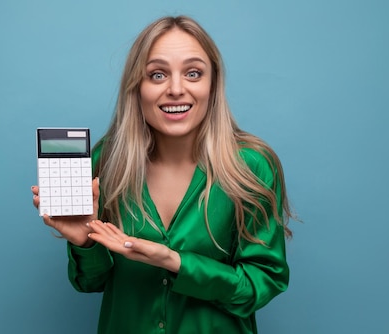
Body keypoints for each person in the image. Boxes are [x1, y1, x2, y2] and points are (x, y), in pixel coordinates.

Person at [32, 15, 294, 334]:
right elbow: (91, 283)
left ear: (213, 84)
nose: (176, 89)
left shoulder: (251, 166)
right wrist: (85, 244)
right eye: (157, 75)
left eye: (193, 73)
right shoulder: (106, 161)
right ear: (136, 87)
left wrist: (175, 262)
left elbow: (262, 284)